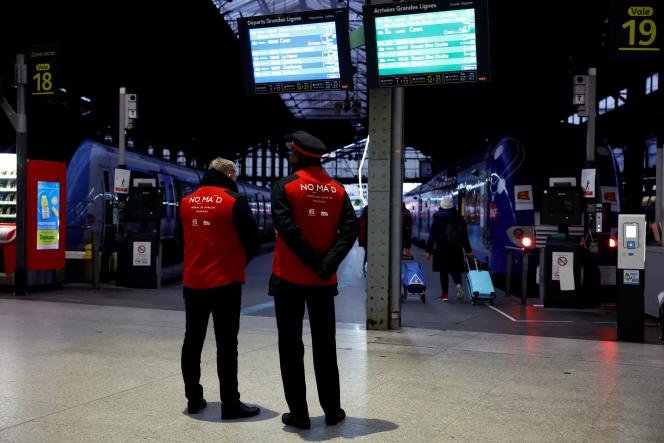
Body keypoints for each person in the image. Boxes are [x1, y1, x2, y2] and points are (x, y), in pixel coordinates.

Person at [270, 130, 359, 430]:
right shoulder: (337, 190)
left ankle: (299, 414)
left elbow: (287, 229)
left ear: (296, 154)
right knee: (325, 345)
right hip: (322, 282)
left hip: (288, 279)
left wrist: (312, 262)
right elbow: (350, 231)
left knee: (290, 346)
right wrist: (327, 264)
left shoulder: (285, 186)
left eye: (289, 153)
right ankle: (332, 411)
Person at [178, 157, 261, 420]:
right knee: (227, 345)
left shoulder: (187, 201)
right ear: (229, 175)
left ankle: (193, 398)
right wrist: (237, 262)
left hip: (193, 283)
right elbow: (253, 240)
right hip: (225, 284)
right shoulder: (234, 201)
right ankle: (230, 404)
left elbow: (183, 239)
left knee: (192, 341)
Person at [425, 195, 472, 301]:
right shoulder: (459, 218)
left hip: (442, 249)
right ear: (452, 206)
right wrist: (468, 250)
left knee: (444, 272)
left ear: (442, 205)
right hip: (456, 249)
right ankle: (458, 284)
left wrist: (428, 251)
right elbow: (464, 236)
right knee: (455, 269)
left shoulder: (437, 219)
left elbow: (433, 237)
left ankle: (445, 294)